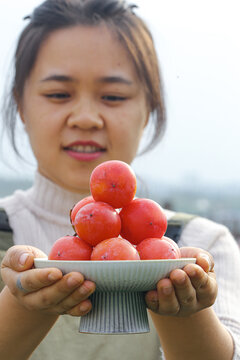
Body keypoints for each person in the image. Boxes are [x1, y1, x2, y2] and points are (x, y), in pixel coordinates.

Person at [0, 0, 240, 359]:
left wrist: (180, 300)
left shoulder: (203, 243)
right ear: (20, 104)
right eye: (58, 94)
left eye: (113, 96)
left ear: (150, 109)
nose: (85, 118)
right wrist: (23, 308)